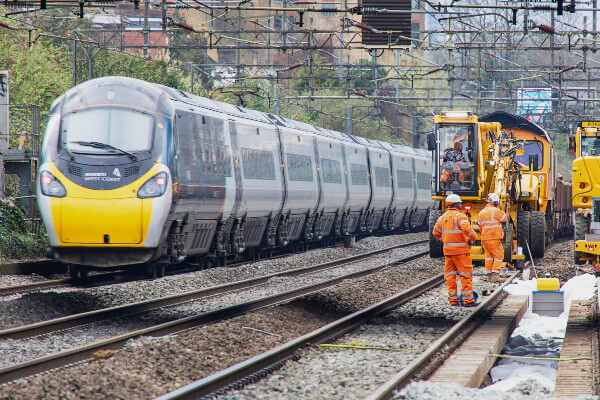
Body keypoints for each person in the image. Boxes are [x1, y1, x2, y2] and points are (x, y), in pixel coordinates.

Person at [432, 194, 478, 307]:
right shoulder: (460, 216)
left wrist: (445, 239)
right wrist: (473, 238)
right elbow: (467, 229)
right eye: (460, 203)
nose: (461, 205)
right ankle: (468, 301)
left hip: (448, 252)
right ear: (456, 204)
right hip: (461, 252)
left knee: (450, 276)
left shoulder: (442, 217)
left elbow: (435, 233)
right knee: (465, 275)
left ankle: (453, 301)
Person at [477, 193, 508, 283]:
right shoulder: (496, 211)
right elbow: (504, 218)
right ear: (495, 202)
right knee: (499, 255)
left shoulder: (481, 212)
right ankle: (495, 275)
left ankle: (489, 276)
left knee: (488, 257)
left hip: (484, 238)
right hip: (494, 237)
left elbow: (479, 225)